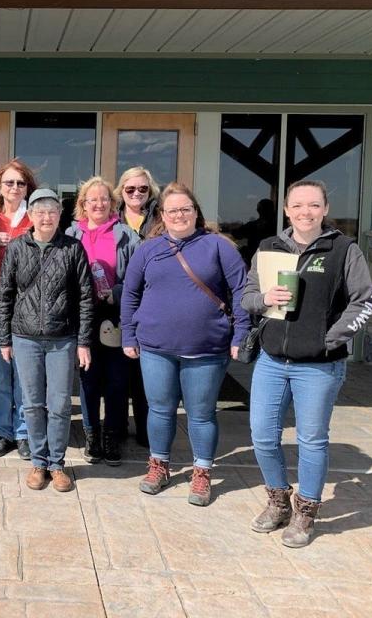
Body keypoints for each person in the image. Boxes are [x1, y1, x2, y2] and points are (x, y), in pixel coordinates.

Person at [242, 179, 372, 548]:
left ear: (325, 209)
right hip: (271, 360)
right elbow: (248, 297)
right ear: (286, 210)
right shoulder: (269, 248)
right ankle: (278, 501)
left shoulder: (343, 249)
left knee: (311, 440)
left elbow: (364, 301)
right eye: (297, 205)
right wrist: (264, 297)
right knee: (263, 436)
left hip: (318, 365)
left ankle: (305, 513)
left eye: (313, 205)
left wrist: (329, 339)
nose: (305, 212)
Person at [121, 182, 249, 506]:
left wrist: (240, 334)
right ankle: (158, 465)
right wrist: (128, 335)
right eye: (172, 210)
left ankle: (202, 471)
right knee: (160, 410)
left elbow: (243, 292)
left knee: (201, 414)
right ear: (162, 215)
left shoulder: (218, 247)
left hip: (206, 349)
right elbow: (130, 294)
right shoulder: (148, 249)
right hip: (155, 347)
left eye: (185, 209)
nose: (179, 215)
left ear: (196, 212)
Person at [0, 188, 93, 493]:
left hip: (62, 338)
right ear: (30, 216)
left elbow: (86, 298)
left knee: (60, 403)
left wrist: (83, 342)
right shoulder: (16, 248)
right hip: (24, 337)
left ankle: (57, 463)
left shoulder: (73, 249)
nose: (46, 217)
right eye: (40, 211)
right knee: (32, 403)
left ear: (59, 215)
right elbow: (5, 295)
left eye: (52, 211)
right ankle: (39, 462)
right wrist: (4, 339)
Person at [66, 176, 138, 467]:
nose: (98, 203)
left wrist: (116, 293)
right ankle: (91, 434)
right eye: (92, 199)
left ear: (113, 203)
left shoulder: (127, 235)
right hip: (83, 315)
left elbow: (137, 277)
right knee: (89, 379)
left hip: (116, 314)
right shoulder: (71, 235)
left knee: (118, 380)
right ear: (82, 204)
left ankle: (112, 435)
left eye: (104, 198)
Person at [0, 159, 38, 460]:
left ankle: (24, 432)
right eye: (9, 182)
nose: (15, 188)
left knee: (25, 375)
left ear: (28, 187)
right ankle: (4, 431)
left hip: (28, 311)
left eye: (20, 183)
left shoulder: (36, 218)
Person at [115, 166, 161, 448]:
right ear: (121, 191)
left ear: (150, 191)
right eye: (130, 189)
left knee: (146, 371)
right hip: (117, 301)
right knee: (119, 370)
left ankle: (145, 428)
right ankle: (118, 426)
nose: (136, 194)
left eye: (142, 189)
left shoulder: (160, 219)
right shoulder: (112, 218)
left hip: (152, 301)